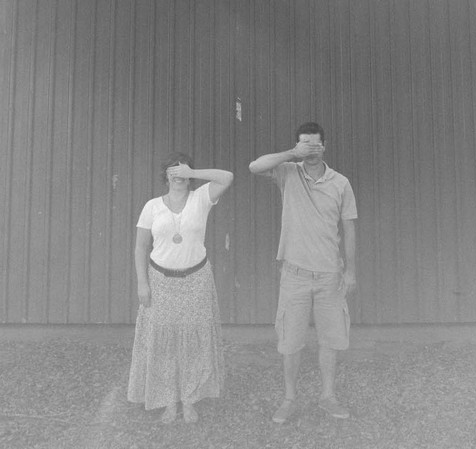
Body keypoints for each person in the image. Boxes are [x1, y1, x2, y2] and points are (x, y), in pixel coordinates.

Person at [249, 122, 357, 422]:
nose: (311, 149)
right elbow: (254, 167)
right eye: (305, 143)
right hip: (294, 274)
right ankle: (289, 399)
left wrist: (350, 272)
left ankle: (328, 396)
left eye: (315, 143)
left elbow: (349, 229)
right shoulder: (288, 172)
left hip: (329, 275)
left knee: (330, 339)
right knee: (290, 342)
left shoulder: (341, 183)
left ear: (325, 146)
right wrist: (291, 153)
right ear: (298, 145)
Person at [127, 152, 233, 424]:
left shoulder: (201, 199)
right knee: (163, 343)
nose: (178, 176)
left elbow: (227, 177)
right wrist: (142, 283)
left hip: (196, 280)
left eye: (182, 171)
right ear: (165, 176)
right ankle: (168, 401)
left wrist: (192, 172)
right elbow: (140, 247)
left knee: (193, 342)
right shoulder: (152, 206)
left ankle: (189, 399)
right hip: (160, 282)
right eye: (173, 172)